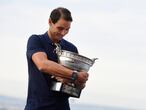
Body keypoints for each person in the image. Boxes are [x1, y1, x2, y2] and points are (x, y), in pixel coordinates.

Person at [24, 7, 89, 110]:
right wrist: (73, 75)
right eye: (60, 28)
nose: (63, 33)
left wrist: (79, 80)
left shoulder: (72, 48)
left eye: (67, 29)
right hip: (37, 107)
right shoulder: (36, 40)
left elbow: (79, 86)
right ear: (50, 22)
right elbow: (42, 65)